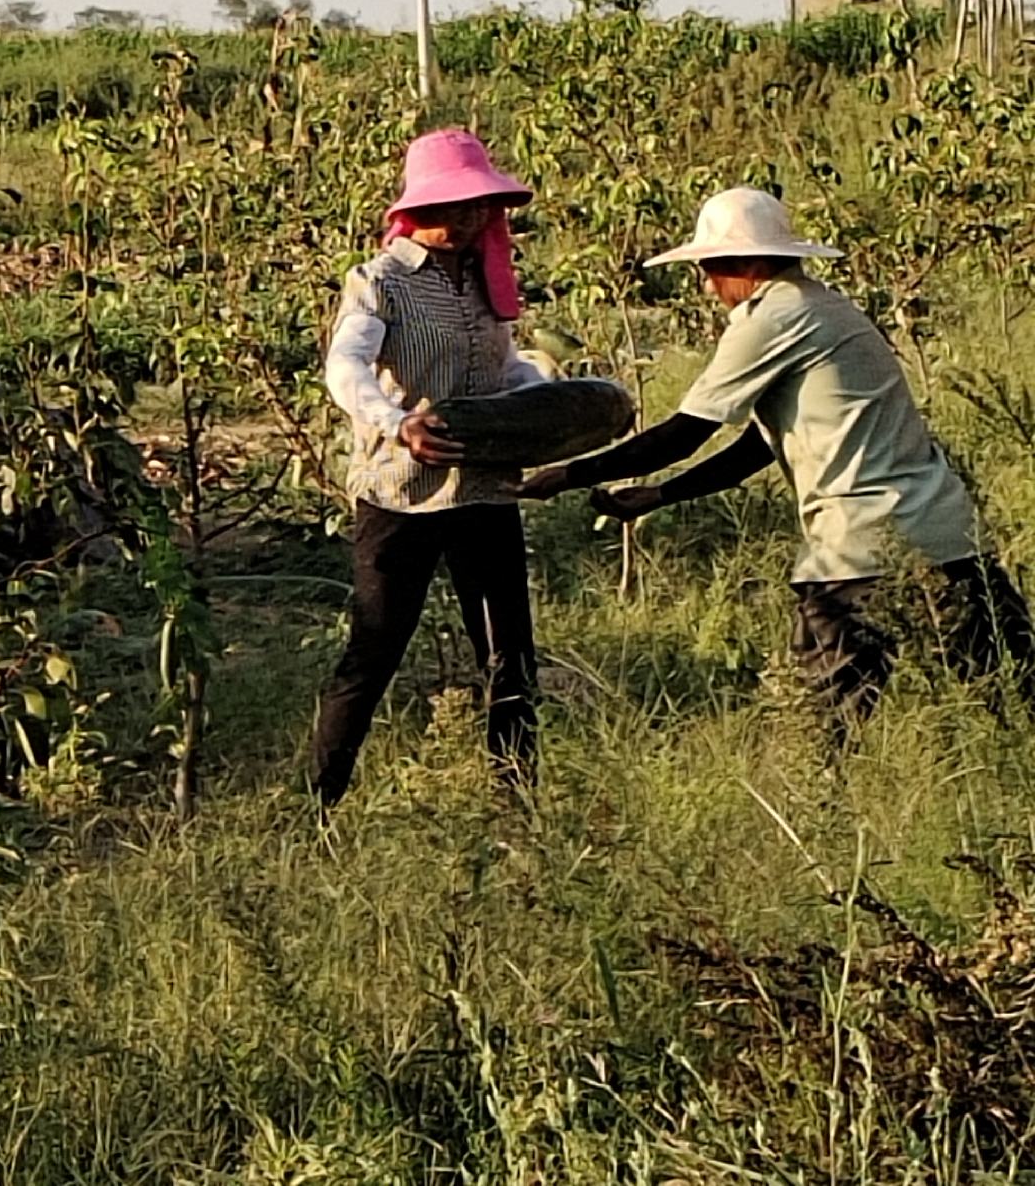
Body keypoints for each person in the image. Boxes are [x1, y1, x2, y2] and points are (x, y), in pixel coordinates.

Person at [519, 187, 1030, 714]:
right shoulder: (825, 307)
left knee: (826, 728)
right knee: (1013, 696)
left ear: (750, 262)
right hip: (947, 534)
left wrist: (567, 475)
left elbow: (685, 433)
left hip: (858, 545)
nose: (708, 283)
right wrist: (661, 496)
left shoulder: (770, 319)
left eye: (713, 267)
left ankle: (829, 799)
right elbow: (759, 446)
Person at [311, 128, 548, 804]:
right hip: (403, 493)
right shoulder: (380, 281)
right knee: (374, 650)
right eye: (453, 207)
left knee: (509, 657)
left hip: (481, 485)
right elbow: (346, 366)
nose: (469, 219)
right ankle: (321, 801)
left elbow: (502, 367)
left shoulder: (484, 279)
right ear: (418, 210)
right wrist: (396, 422)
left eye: (479, 206)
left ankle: (516, 800)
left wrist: (550, 398)